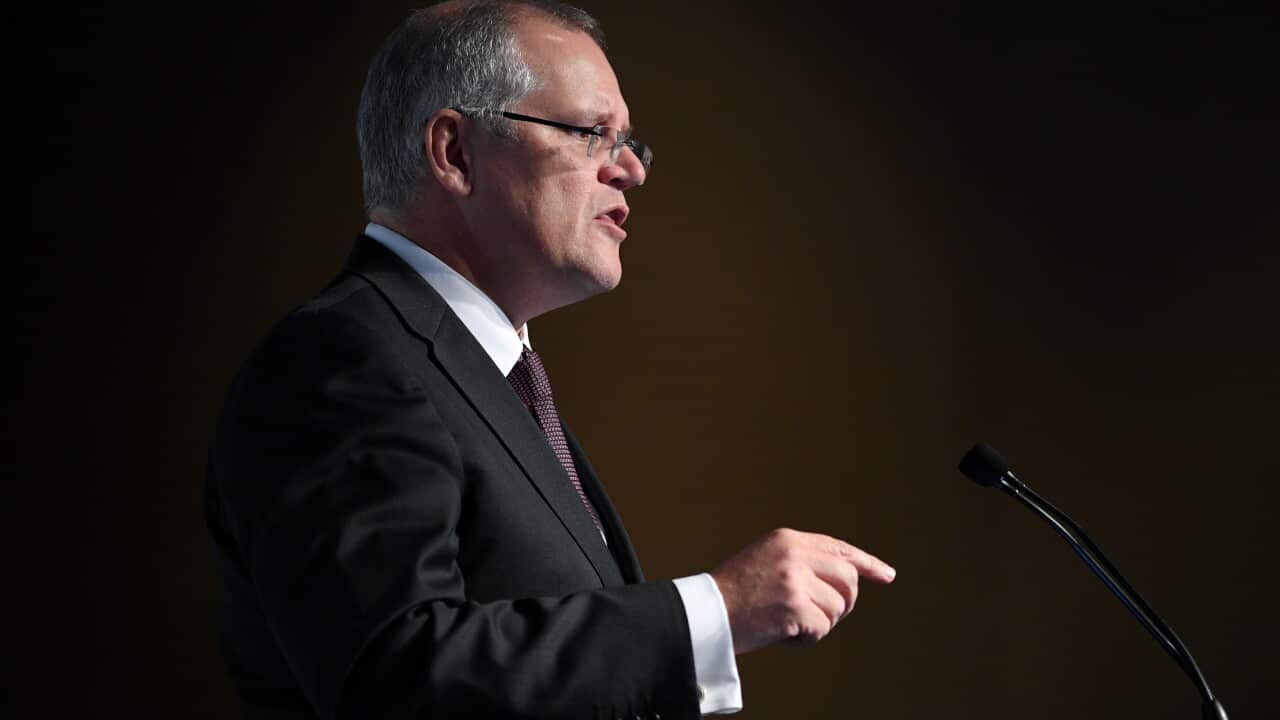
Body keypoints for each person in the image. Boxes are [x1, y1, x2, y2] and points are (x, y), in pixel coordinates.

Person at [204, 2, 896, 718]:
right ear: (455, 153)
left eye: (630, 143)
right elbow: (395, 673)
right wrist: (713, 611)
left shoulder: (498, 378)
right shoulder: (339, 360)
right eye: (592, 134)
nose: (630, 171)